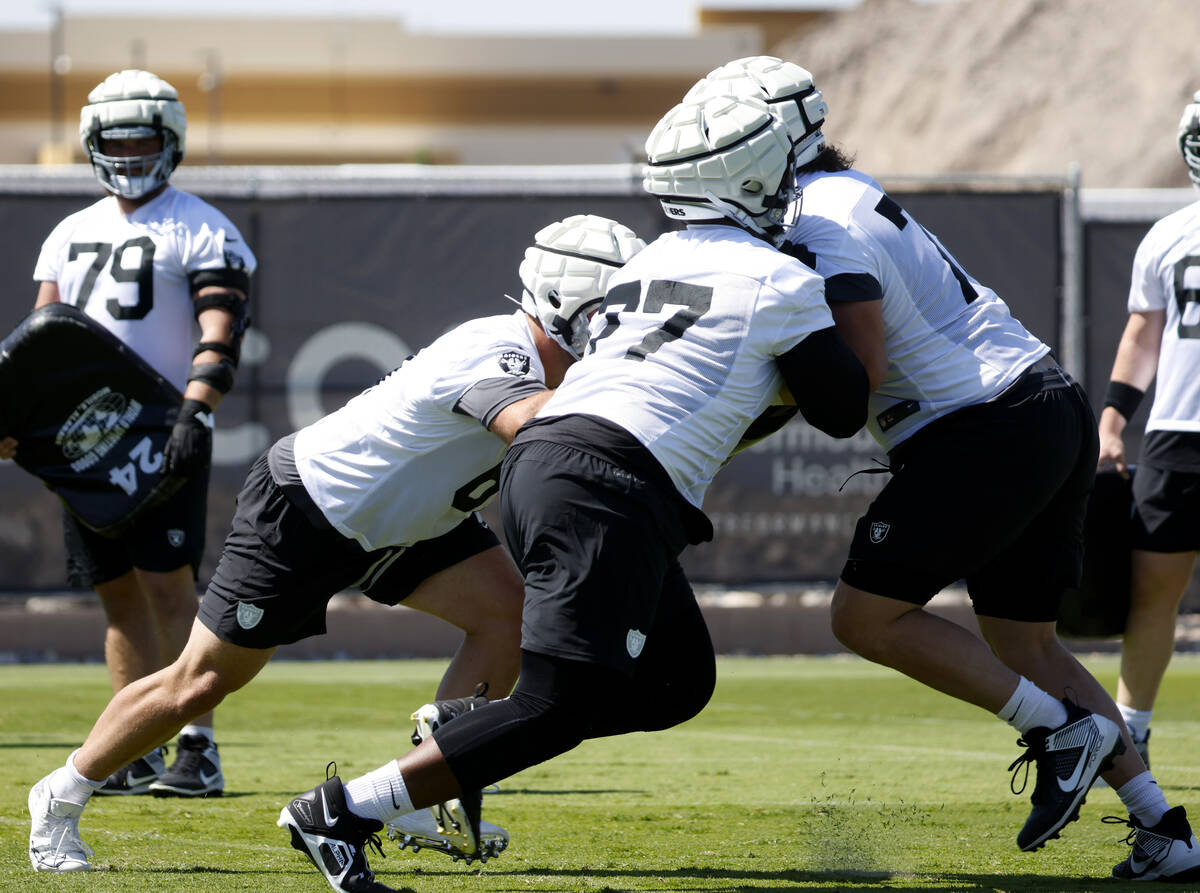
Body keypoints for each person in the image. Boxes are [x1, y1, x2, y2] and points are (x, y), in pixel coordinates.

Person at [276, 93, 870, 893]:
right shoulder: (781, 277)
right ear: (746, 186)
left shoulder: (654, 258)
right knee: (557, 705)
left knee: (677, 681)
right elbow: (841, 409)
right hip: (606, 484)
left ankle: (467, 732)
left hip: (559, 467)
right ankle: (342, 809)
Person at [690, 56, 1200, 883]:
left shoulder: (819, 217)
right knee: (1027, 642)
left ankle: (1055, 728)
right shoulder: (844, 192)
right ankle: (1164, 826)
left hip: (981, 421)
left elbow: (860, 367)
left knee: (863, 616)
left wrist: (728, 415)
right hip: (1039, 399)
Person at [26, 213, 646, 877]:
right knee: (200, 679)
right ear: (559, 302)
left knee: (508, 616)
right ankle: (60, 794)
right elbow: (534, 430)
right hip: (310, 507)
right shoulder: (502, 350)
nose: (619, 333)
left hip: (412, 518)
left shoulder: (556, 362)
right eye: (608, 315)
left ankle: (416, 793)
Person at [0, 69, 256, 799]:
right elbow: (37, 345)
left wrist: (196, 408)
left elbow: (222, 328)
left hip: (165, 423)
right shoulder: (70, 231)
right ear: (92, 145)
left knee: (171, 590)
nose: (131, 151)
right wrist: (14, 419)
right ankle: (134, 746)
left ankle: (197, 746)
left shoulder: (203, 224)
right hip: (86, 436)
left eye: (144, 138)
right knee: (116, 596)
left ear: (171, 141)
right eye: (117, 140)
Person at [1096, 92, 1200, 774]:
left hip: (1176, 433)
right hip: (1177, 431)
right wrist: (1113, 416)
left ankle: (1131, 730)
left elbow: (1143, 336)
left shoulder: (1171, 233)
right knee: (1152, 588)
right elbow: (1143, 336)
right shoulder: (1169, 234)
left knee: (1154, 591)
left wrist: (1114, 417)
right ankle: (1132, 729)